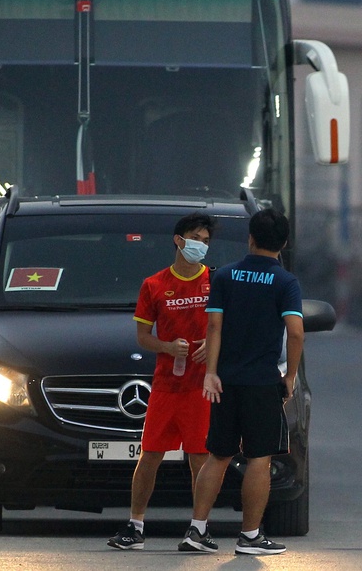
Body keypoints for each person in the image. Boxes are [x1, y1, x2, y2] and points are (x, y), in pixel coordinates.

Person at [177, 208, 304, 556]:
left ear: (250, 238)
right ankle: (249, 536)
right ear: (284, 243)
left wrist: (211, 372)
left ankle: (197, 530)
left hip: (226, 381)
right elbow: (295, 333)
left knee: (218, 454)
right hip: (262, 381)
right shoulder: (286, 283)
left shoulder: (225, 277)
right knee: (259, 458)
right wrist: (290, 375)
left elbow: (213, 327)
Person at [107, 213, 217, 550]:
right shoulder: (154, 285)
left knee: (200, 455)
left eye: (206, 240)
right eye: (196, 238)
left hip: (202, 387)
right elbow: (143, 337)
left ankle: (199, 528)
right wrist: (167, 347)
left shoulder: (216, 282)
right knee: (150, 453)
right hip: (167, 385)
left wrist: (209, 348)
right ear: (179, 240)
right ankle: (135, 526)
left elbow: (225, 329)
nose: (201, 245)